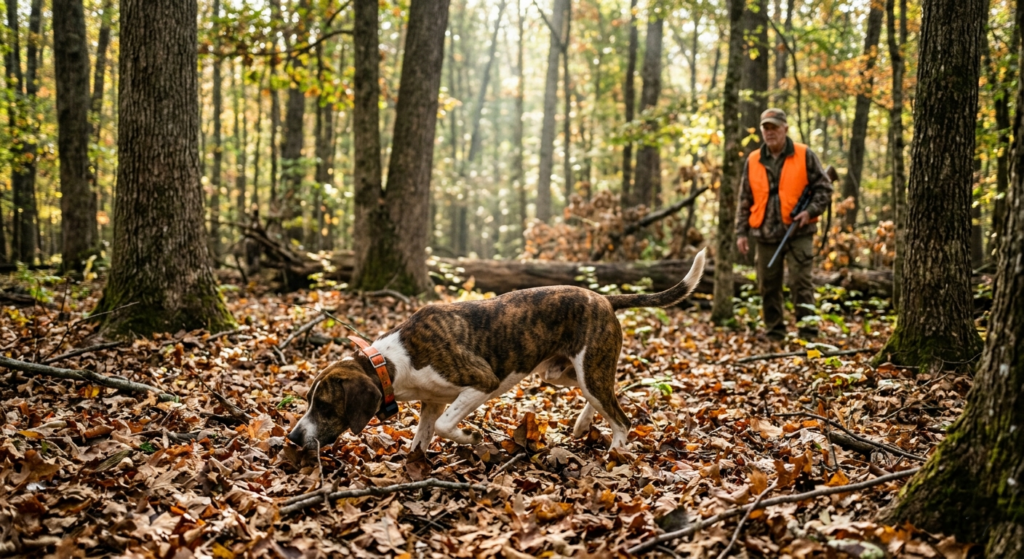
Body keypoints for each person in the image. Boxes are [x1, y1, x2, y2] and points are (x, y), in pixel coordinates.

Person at [735, 108, 833, 341]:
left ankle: (808, 334)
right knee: (767, 285)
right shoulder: (753, 160)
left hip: (799, 231)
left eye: (774, 127)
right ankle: (775, 333)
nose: (770, 133)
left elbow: (825, 188)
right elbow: (744, 198)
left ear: (785, 129)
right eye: (765, 128)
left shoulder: (804, 154)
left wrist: (809, 212)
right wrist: (741, 232)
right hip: (765, 234)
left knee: (801, 283)